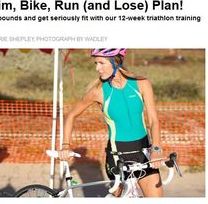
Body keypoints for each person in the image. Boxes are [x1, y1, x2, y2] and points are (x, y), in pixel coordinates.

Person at [59, 49, 163, 197]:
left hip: (144, 152)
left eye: (101, 62)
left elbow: (154, 120)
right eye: (96, 63)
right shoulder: (98, 91)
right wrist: (65, 146)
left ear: (115, 62)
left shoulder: (141, 84)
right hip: (117, 155)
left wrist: (156, 150)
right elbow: (71, 116)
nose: (97, 68)